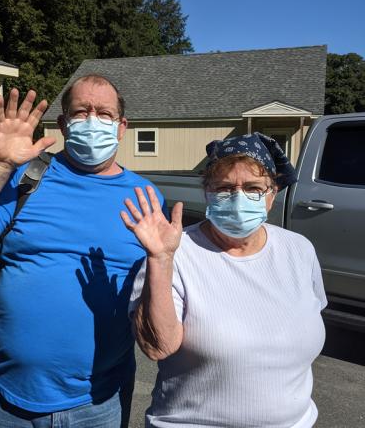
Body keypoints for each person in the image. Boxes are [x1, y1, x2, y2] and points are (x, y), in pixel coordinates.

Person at [0, 74, 166, 428]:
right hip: (5, 399)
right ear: (62, 124)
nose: (93, 120)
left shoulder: (146, 198)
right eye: (81, 111)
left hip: (98, 403)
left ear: (122, 127)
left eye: (105, 114)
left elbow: (159, 294)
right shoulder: (26, 177)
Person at [121, 133, 327, 428]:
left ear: (272, 194)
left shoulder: (299, 250)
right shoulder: (176, 253)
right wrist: (160, 260)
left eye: (254, 188)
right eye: (225, 188)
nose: (238, 197)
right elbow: (157, 348)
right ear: (207, 192)